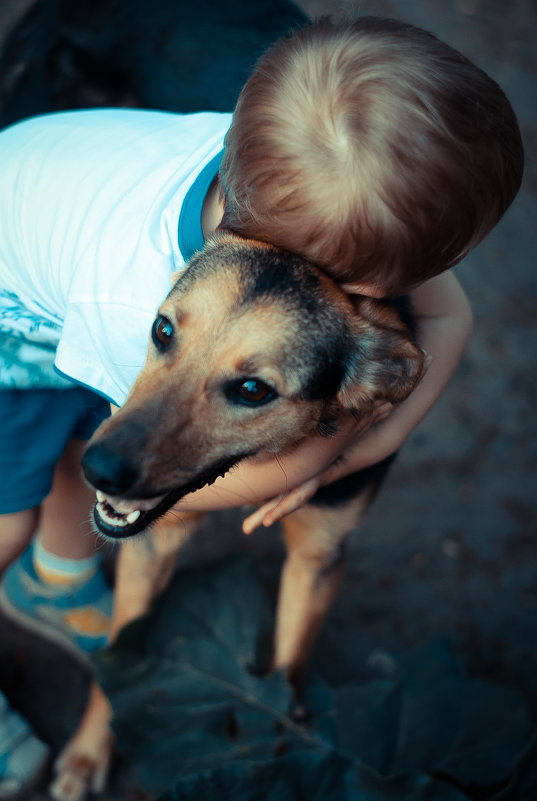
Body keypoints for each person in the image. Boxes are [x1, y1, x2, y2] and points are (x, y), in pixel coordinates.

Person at [0, 16, 523, 793]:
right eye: (170, 335)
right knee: (39, 489)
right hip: (17, 295)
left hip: (73, 225)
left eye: (248, 389)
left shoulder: (353, 217)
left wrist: (380, 438)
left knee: (104, 456)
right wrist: (334, 447)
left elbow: (446, 315)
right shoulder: (133, 293)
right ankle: (51, 604)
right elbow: (154, 484)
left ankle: (55, 574)